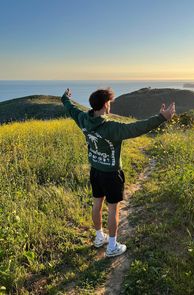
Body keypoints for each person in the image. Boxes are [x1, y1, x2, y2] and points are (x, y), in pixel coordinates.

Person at [61, 88, 175, 257]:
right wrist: (161, 118)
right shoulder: (112, 128)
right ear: (105, 105)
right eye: (109, 103)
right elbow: (137, 128)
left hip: (95, 171)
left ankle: (99, 237)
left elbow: (71, 109)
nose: (110, 105)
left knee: (97, 203)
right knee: (113, 209)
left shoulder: (83, 119)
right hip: (111, 174)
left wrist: (65, 98)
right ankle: (112, 246)